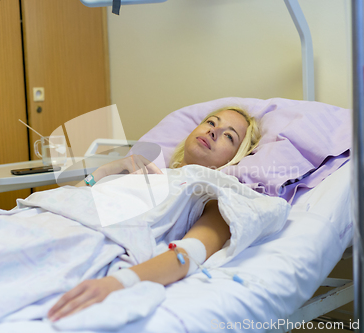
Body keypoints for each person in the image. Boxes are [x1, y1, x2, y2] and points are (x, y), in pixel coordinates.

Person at [47, 106, 261, 322]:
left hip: (78, 244)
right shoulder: (146, 172)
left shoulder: (214, 192)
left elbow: (189, 254)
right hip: (49, 221)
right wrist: (104, 171)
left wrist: (117, 282)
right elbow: (71, 201)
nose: (213, 131)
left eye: (229, 136)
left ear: (236, 158)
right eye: (211, 123)